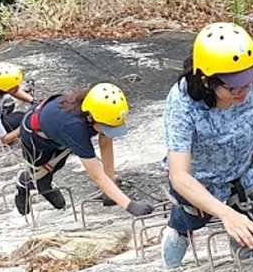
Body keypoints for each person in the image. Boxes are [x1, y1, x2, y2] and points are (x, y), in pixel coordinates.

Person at [160, 22, 253, 268]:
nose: (244, 90)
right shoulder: (182, 103)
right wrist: (226, 215)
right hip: (202, 179)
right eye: (233, 85)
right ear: (207, 80)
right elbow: (179, 175)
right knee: (195, 217)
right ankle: (180, 226)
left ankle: (242, 228)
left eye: (248, 80)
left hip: (249, 170)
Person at [14, 83, 156, 217]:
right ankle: (24, 183)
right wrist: (130, 205)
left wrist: (111, 184)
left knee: (58, 164)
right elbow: (96, 175)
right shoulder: (74, 128)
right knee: (44, 178)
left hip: (57, 131)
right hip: (35, 138)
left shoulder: (96, 111)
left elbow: (105, 141)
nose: (109, 131)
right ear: (91, 117)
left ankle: (42, 182)